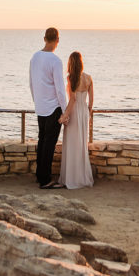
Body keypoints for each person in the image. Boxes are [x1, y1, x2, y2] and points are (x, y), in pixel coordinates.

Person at [29, 27, 68, 189]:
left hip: (41, 106)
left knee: (42, 141)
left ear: (44, 38)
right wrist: (65, 111)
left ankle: (41, 176)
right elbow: (60, 88)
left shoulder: (34, 57)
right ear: (57, 41)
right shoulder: (55, 61)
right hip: (53, 107)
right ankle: (45, 180)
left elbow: (31, 83)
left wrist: (36, 101)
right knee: (49, 144)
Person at [58, 51, 94, 189]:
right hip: (84, 112)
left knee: (72, 144)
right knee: (81, 144)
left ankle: (71, 178)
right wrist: (88, 115)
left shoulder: (71, 78)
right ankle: (82, 177)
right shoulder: (89, 78)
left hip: (73, 112)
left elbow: (72, 99)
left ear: (70, 63)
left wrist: (65, 116)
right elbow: (91, 102)